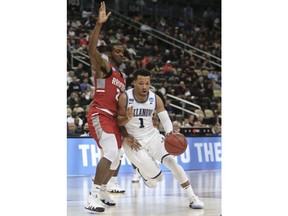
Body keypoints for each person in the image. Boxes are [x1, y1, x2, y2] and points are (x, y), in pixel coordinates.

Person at [117, 68, 204, 209]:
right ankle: (143, 172)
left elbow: (165, 118)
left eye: (147, 83)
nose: (144, 86)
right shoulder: (125, 98)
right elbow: (118, 121)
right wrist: (126, 136)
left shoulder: (155, 98)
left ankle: (193, 198)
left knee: (172, 162)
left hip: (152, 136)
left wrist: (170, 133)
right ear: (134, 83)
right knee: (158, 178)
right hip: (133, 141)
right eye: (140, 83)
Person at [84, 2, 127, 212]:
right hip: (100, 114)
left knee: (117, 155)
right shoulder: (104, 67)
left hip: (113, 119)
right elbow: (91, 50)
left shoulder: (122, 77)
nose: (121, 53)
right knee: (110, 151)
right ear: (109, 53)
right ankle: (92, 196)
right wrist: (99, 25)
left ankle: (102, 192)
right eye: (117, 51)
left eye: (123, 51)